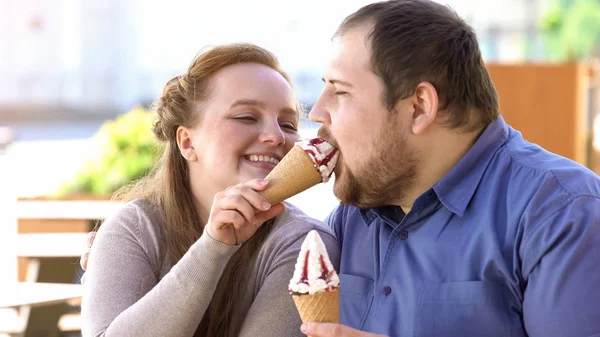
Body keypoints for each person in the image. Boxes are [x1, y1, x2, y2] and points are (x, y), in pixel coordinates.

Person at [299, 0, 600, 336]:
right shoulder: (352, 218)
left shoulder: (563, 212)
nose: (316, 113)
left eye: (340, 91)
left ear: (419, 107)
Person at [80, 43, 340, 337]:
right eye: (246, 117)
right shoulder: (134, 228)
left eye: (289, 123)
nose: (275, 136)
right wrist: (212, 248)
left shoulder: (303, 243)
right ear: (187, 142)